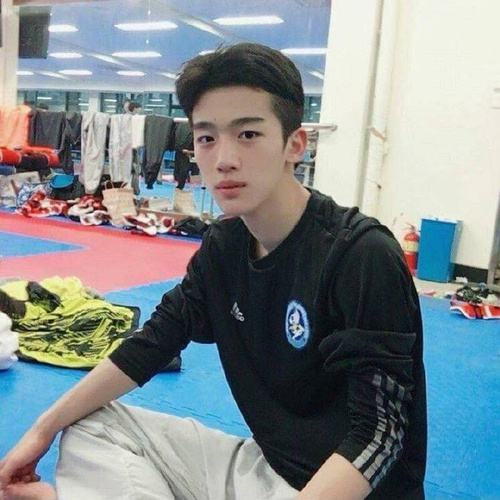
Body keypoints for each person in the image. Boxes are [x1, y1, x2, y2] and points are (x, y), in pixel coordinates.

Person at [0, 43, 426, 500]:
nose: (224, 158)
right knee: (91, 424)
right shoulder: (224, 246)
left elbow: (379, 435)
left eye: (248, 134)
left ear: (295, 145)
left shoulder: (359, 254)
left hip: (340, 490)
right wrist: (43, 428)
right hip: (264, 468)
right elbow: (152, 343)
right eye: (207, 138)